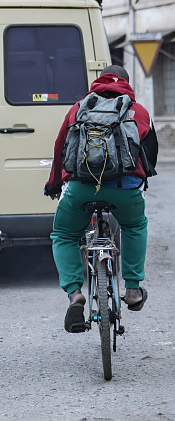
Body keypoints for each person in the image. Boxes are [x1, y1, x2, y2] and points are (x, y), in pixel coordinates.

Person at [44, 65, 158, 333]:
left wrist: (54, 183)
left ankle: (75, 294)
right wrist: (142, 179)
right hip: (124, 187)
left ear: (98, 83)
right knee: (134, 226)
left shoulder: (78, 108)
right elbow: (150, 152)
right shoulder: (137, 110)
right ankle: (132, 290)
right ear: (127, 84)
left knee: (64, 234)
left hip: (81, 187)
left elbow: (60, 147)